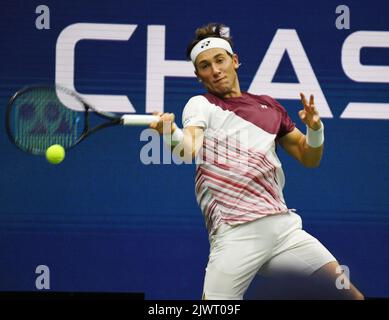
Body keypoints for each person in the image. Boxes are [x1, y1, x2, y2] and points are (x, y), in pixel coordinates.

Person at [150, 23, 364, 300]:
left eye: (219, 60)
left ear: (234, 61)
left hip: (284, 230)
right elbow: (188, 149)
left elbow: (308, 157)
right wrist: (170, 133)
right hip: (236, 231)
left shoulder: (270, 106)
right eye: (205, 66)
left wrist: (315, 129)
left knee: (348, 296)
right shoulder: (200, 105)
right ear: (198, 75)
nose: (214, 70)